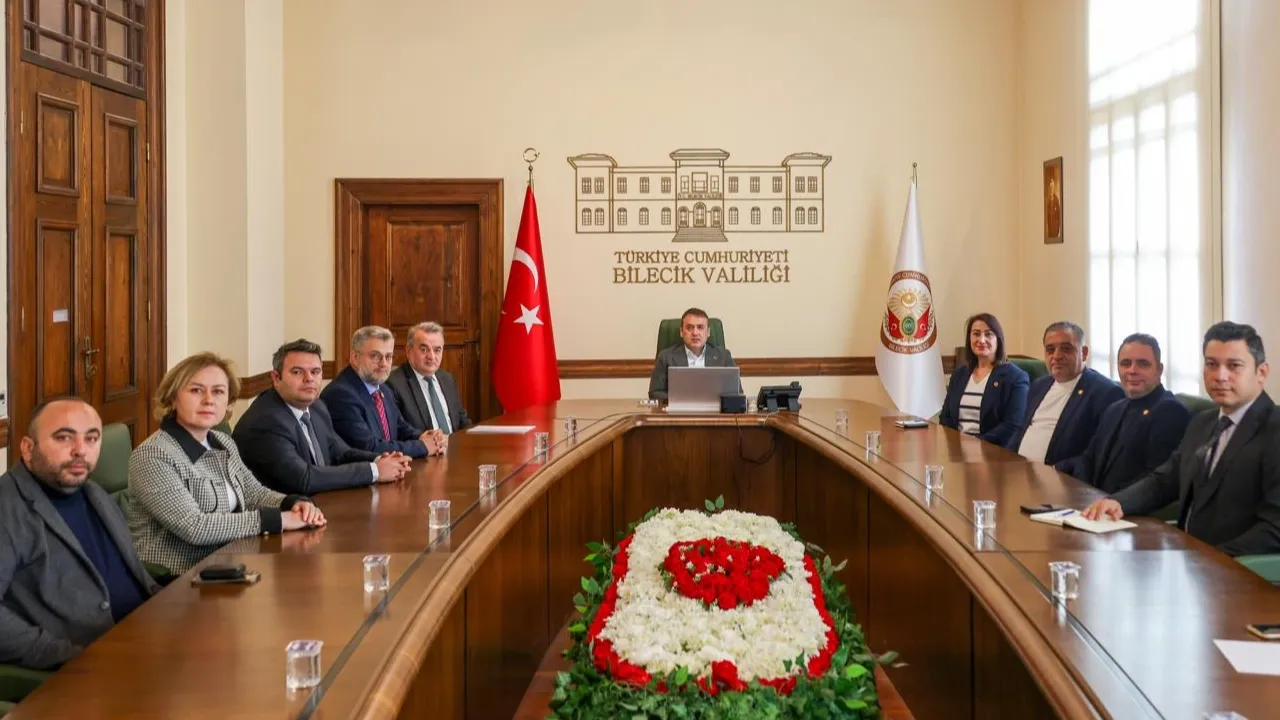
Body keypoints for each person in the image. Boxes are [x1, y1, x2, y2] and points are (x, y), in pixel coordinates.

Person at [1083, 322, 1280, 556]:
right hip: (1186, 555)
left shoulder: (1274, 431)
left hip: (1235, 568)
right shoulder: (1203, 423)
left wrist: (1210, 559)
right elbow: (1165, 481)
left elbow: (1274, 529)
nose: (1220, 376)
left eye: (1234, 366)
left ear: (1261, 373)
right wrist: (1118, 502)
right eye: (1212, 364)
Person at [126, 353, 327, 575]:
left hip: (228, 564)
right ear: (172, 398)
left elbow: (254, 493)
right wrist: (278, 520)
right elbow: (195, 527)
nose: (209, 400)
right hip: (177, 578)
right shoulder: (153, 455)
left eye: (218, 391)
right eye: (196, 391)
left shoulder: (222, 442)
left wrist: (293, 503)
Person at [0, 398, 158, 670]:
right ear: (27, 448)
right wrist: (70, 657)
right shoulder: (7, 508)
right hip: (93, 669)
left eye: (91, 438)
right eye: (64, 437)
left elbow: (134, 576)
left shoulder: (94, 493)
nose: (80, 450)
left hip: (148, 638)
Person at [233, 339, 411, 495]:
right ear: (276, 378)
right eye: (297, 372)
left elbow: (340, 452)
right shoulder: (266, 421)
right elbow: (303, 478)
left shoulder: (317, 406)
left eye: (315, 371)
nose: (309, 378)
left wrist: (380, 460)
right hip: (281, 514)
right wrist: (375, 471)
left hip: (319, 506)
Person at [1059, 334, 1190, 493]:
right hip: (1090, 500)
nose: (1132, 371)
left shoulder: (1171, 412)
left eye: (1143, 364)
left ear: (1159, 370)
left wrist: (1107, 502)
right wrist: (1082, 492)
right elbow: (1088, 459)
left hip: (1126, 505)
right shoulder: (1114, 409)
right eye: (1125, 363)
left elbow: (1155, 482)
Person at [321, 326, 446, 457]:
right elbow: (370, 447)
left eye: (388, 356)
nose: (384, 364)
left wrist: (427, 437)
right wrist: (423, 447)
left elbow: (400, 427)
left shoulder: (383, 388)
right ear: (355, 357)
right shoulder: (341, 395)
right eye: (375, 356)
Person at [1010, 321, 1122, 467]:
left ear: (1084, 353)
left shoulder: (1105, 393)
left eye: (1066, 349)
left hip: (1060, 476)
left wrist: (1055, 470)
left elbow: (1097, 454)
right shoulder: (1039, 385)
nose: (1056, 356)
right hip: (1019, 470)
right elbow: (1020, 432)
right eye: (1050, 350)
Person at [939, 312, 1029, 448]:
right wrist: (956, 444)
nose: (981, 340)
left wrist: (974, 443)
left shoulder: (1015, 377)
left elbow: (1013, 425)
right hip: (957, 450)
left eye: (988, 334)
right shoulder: (959, 374)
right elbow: (946, 417)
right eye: (976, 334)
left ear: (998, 340)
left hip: (994, 452)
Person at [386, 322, 472, 434]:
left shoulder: (447, 379)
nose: (431, 356)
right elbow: (399, 432)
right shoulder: (394, 384)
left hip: (454, 443)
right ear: (408, 351)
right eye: (424, 350)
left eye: (437, 350)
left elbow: (462, 421)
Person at [648, 308, 738, 401]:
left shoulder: (723, 357)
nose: (695, 333)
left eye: (700, 327)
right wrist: (685, 399)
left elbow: (736, 392)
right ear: (681, 332)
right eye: (689, 328)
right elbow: (655, 393)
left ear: (708, 332)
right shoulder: (666, 357)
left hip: (714, 409)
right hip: (679, 409)